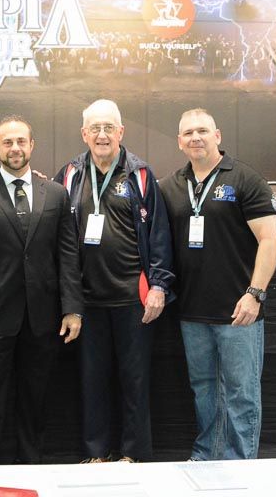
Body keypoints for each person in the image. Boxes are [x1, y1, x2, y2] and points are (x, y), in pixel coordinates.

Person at [0, 115, 83, 464]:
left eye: (21, 141)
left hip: (43, 320)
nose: (15, 148)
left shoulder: (55, 194)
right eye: (8, 142)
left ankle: (32, 469)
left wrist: (72, 308)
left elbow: (68, 256)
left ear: (32, 145)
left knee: (36, 401)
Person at [53, 99, 174, 463]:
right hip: (86, 300)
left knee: (135, 381)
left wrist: (159, 286)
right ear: (84, 134)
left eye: (109, 127)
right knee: (92, 380)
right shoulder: (69, 174)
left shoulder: (140, 175)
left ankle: (134, 454)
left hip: (132, 299)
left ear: (121, 132)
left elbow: (159, 235)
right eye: (95, 128)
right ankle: (96, 453)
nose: (102, 135)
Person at [159, 108, 276, 461]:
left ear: (218, 136)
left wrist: (254, 295)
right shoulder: (170, 186)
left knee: (241, 393)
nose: (195, 137)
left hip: (238, 310)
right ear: (179, 142)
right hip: (191, 312)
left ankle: (240, 464)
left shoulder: (245, 179)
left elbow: (270, 239)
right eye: (188, 133)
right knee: (204, 390)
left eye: (202, 130)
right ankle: (206, 457)